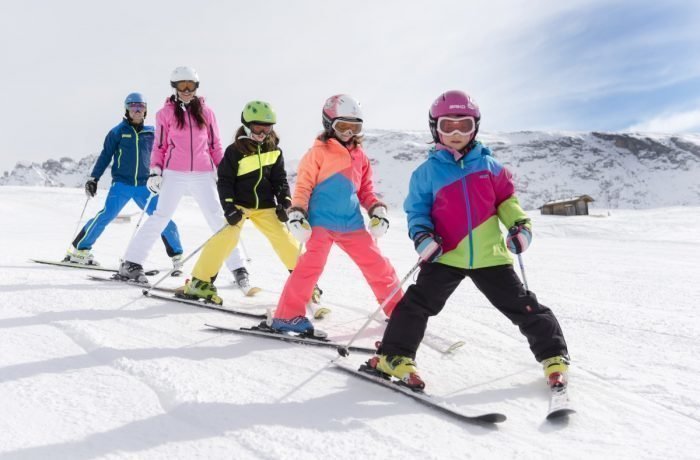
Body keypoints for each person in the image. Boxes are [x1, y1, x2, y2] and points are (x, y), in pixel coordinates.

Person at [367, 90, 570, 390]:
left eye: (465, 125)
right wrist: (422, 238)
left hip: (491, 256)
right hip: (445, 254)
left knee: (524, 306)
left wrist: (520, 226)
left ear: (476, 127)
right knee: (416, 305)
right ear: (435, 127)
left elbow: (507, 203)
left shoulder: (491, 168)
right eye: (448, 125)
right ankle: (394, 356)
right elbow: (417, 211)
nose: (457, 133)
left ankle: (554, 357)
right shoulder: (426, 173)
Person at [268, 94, 400, 334]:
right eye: (343, 127)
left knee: (378, 265)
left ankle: (398, 309)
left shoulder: (360, 156)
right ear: (329, 124)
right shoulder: (317, 153)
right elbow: (304, 186)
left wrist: (376, 209)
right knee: (310, 266)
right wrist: (297, 213)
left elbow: (365, 190)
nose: (349, 133)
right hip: (321, 221)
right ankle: (287, 315)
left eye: (354, 127)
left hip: (352, 223)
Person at [118, 66, 249, 285]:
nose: (186, 90)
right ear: (175, 87)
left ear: (196, 87)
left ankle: (238, 267)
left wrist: (225, 171)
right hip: (174, 172)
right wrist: (155, 171)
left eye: (190, 86)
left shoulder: (207, 113)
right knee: (161, 216)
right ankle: (131, 262)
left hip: (203, 172)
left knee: (217, 218)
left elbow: (215, 145)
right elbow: (159, 146)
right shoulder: (165, 113)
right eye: (182, 86)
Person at [183, 100, 319, 302]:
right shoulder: (234, 151)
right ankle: (199, 282)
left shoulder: (274, 150)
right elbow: (225, 182)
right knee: (225, 238)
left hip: (265, 206)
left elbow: (279, 180)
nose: (262, 132)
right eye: (257, 127)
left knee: (284, 239)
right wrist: (229, 207)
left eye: (267, 127)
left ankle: (305, 283)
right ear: (246, 124)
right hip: (239, 205)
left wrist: (285, 202)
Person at [64, 92, 183, 268]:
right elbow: (105, 156)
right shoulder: (117, 132)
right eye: (133, 107)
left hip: (146, 186)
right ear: (126, 110)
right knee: (106, 215)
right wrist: (94, 178)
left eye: (140, 107)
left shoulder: (152, 133)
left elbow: (164, 154)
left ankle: (177, 256)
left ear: (145, 110)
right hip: (122, 184)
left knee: (162, 217)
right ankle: (80, 250)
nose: (137, 111)